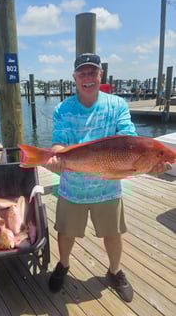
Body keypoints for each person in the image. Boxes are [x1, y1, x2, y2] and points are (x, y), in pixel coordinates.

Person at [47, 53, 165, 303]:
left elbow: (128, 138)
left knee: (113, 234)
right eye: (82, 73)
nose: (87, 77)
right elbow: (58, 141)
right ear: (74, 78)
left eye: (93, 72)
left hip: (109, 187)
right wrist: (57, 156)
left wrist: (150, 164)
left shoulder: (117, 105)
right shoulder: (63, 109)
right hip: (73, 187)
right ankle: (64, 265)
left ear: (101, 75)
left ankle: (114, 270)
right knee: (66, 233)